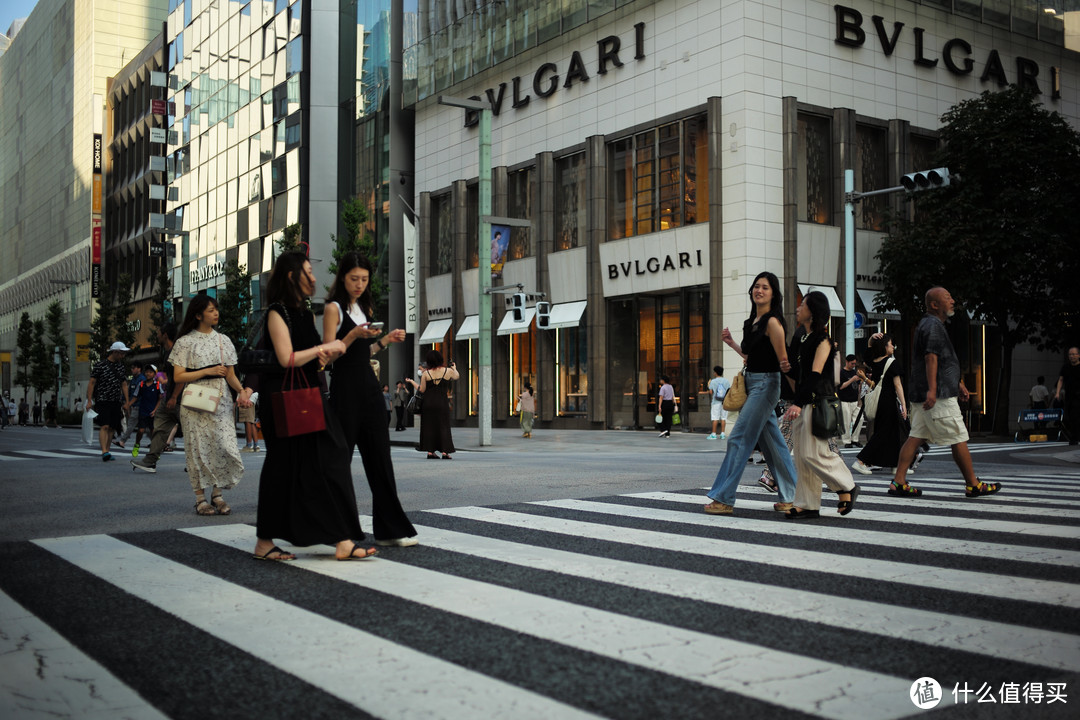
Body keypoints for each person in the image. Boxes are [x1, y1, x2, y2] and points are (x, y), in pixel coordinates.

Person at [250, 250, 376, 561]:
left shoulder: (305, 312)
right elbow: (286, 358)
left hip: (308, 394)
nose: (314, 277)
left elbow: (318, 357)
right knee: (282, 467)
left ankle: (342, 538)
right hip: (284, 398)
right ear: (293, 276)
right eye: (308, 271)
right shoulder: (277, 312)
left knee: (332, 458)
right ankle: (264, 542)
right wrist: (324, 347)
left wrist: (347, 341)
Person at [323, 251, 417, 547]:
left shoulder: (364, 306)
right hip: (344, 389)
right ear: (342, 277)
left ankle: (390, 529)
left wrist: (385, 341)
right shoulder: (333, 308)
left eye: (364, 279)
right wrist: (353, 336)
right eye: (354, 279)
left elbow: (365, 354)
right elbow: (327, 355)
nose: (359, 284)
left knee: (380, 459)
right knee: (340, 460)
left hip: (369, 387)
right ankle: (341, 532)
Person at [891, 287, 1001, 498]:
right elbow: (931, 357)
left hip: (926, 392)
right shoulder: (933, 325)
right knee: (958, 436)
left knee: (915, 436)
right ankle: (973, 484)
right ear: (934, 304)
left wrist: (957, 383)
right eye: (947, 298)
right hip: (937, 395)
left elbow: (941, 361)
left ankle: (899, 482)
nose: (952, 300)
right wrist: (933, 390)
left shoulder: (929, 324)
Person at [703, 272, 798, 515]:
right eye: (756, 286)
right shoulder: (752, 322)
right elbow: (751, 356)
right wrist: (732, 343)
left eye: (765, 287)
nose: (759, 290)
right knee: (774, 444)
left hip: (767, 384)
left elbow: (782, 360)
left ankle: (724, 498)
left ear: (773, 293)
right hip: (752, 381)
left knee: (738, 438)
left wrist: (798, 396)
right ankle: (792, 496)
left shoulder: (773, 322)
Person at [780, 292, 859, 519]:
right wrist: (788, 369)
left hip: (816, 402)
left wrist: (797, 403)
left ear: (812, 311)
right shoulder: (802, 337)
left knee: (815, 453)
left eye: (802, 304)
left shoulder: (823, 340)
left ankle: (847, 486)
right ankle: (807, 503)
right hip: (805, 400)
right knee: (802, 456)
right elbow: (802, 374)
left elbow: (815, 375)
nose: (798, 308)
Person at [170, 295, 248, 516]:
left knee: (222, 447)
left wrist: (241, 391)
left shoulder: (224, 340)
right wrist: (207, 371)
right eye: (211, 310)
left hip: (222, 400)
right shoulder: (185, 342)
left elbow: (231, 374)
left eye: (216, 309)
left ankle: (217, 494)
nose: (216, 313)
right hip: (195, 402)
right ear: (198, 315)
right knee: (197, 450)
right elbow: (178, 376)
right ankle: (200, 498)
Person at [850, 334, 914, 475]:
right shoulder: (892, 362)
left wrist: (871, 340)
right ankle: (861, 461)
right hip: (888, 400)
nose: (893, 347)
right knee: (884, 433)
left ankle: (896, 464)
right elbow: (898, 385)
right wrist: (903, 404)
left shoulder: (874, 361)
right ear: (885, 346)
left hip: (879, 400)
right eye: (891, 344)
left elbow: (868, 353)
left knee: (892, 432)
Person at [131, 324, 185, 473]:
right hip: (170, 398)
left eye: (158, 333)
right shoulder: (167, 352)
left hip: (179, 399)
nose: (157, 335)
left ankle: (201, 464)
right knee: (160, 428)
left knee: (193, 432)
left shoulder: (176, 351)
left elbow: (181, 377)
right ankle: (150, 461)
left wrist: (174, 397)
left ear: (165, 335)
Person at [86, 341, 131, 461]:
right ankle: (104, 451)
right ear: (115, 352)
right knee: (104, 426)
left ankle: (107, 450)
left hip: (116, 400)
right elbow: (92, 382)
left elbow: (124, 384)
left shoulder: (121, 367)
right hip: (102, 400)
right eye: (121, 353)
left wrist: (127, 402)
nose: (123, 356)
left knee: (112, 427)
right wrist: (89, 400)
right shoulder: (100, 365)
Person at [415, 350, 459, 459]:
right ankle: (445, 452)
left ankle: (430, 452)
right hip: (442, 403)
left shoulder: (426, 373)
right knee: (443, 426)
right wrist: (454, 368)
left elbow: (422, 389)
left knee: (429, 427)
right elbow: (457, 376)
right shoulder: (447, 371)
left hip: (428, 404)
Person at [130, 369, 163, 454]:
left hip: (153, 412)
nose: (148, 373)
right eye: (147, 372)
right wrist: (128, 404)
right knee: (141, 430)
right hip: (143, 411)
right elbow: (135, 396)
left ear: (154, 374)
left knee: (153, 431)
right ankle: (137, 444)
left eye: (150, 372)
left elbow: (160, 399)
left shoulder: (158, 385)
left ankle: (154, 451)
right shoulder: (141, 384)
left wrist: (155, 410)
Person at [114, 361, 145, 449]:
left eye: (134, 368)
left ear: (139, 369)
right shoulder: (133, 379)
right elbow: (128, 391)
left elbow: (137, 394)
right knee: (143, 426)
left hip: (139, 405)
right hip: (134, 405)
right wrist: (125, 401)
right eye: (131, 368)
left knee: (132, 424)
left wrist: (128, 403)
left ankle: (122, 441)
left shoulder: (141, 379)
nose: (132, 370)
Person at [838, 354, 866, 447]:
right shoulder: (841, 372)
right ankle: (847, 441)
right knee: (846, 422)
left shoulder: (855, 372)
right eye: (852, 363)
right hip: (844, 401)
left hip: (854, 400)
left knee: (860, 418)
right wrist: (852, 380)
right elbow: (840, 387)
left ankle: (855, 439)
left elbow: (858, 386)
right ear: (847, 362)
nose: (853, 365)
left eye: (854, 364)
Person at [1054, 347, 1080, 444]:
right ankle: (1075, 436)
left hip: (1079, 396)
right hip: (1069, 396)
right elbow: (1061, 380)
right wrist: (1057, 392)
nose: (1072, 356)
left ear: (1079, 355)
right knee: (1069, 417)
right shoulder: (1065, 367)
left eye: (1074, 354)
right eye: (1070, 354)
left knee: (1075, 416)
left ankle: (1074, 438)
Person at [707, 366, 729, 440]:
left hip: (716, 402)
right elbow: (728, 391)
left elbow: (711, 392)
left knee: (715, 417)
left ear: (715, 373)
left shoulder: (713, 381)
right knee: (723, 418)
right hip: (724, 402)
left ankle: (713, 434)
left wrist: (708, 385)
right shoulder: (726, 381)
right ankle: (722, 434)